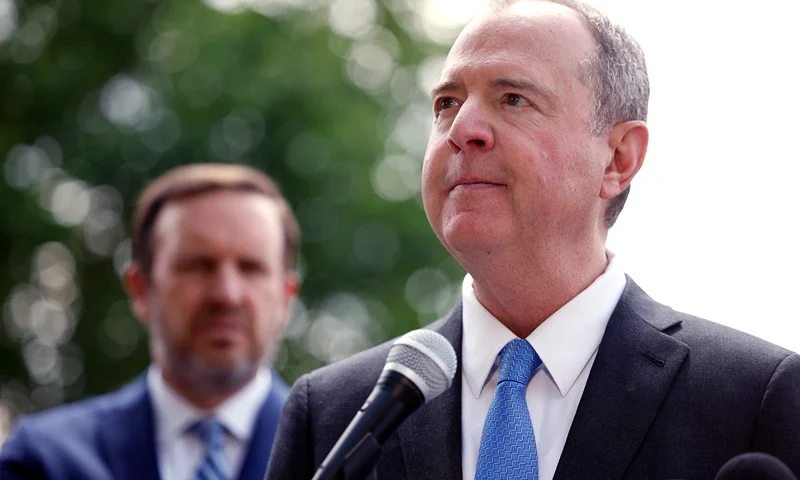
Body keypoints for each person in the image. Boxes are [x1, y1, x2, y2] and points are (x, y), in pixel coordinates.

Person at [265, 1, 800, 479]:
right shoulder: (332, 412)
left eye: (514, 98)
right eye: (447, 103)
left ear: (618, 159)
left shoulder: (754, 400)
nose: (462, 129)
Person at [0, 163, 301, 480]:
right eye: (198, 265)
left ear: (286, 296)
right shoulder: (42, 461)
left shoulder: (347, 460)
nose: (227, 295)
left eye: (251, 267)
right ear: (141, 289)